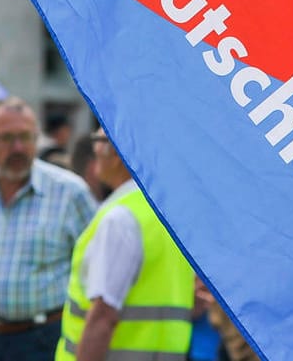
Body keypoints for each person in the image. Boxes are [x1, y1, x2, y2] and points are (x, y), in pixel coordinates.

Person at [0, 99, 96, 361]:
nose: (18, 148)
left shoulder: (70, 193)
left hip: (41, 339)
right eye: (6, 138)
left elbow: (96, 273)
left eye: (26, 137)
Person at [56, 130, 194, 361]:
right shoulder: (166, 211)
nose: (95, 150)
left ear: (119, 150)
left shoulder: (120, 219)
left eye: (99, 141)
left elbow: (102, 317)